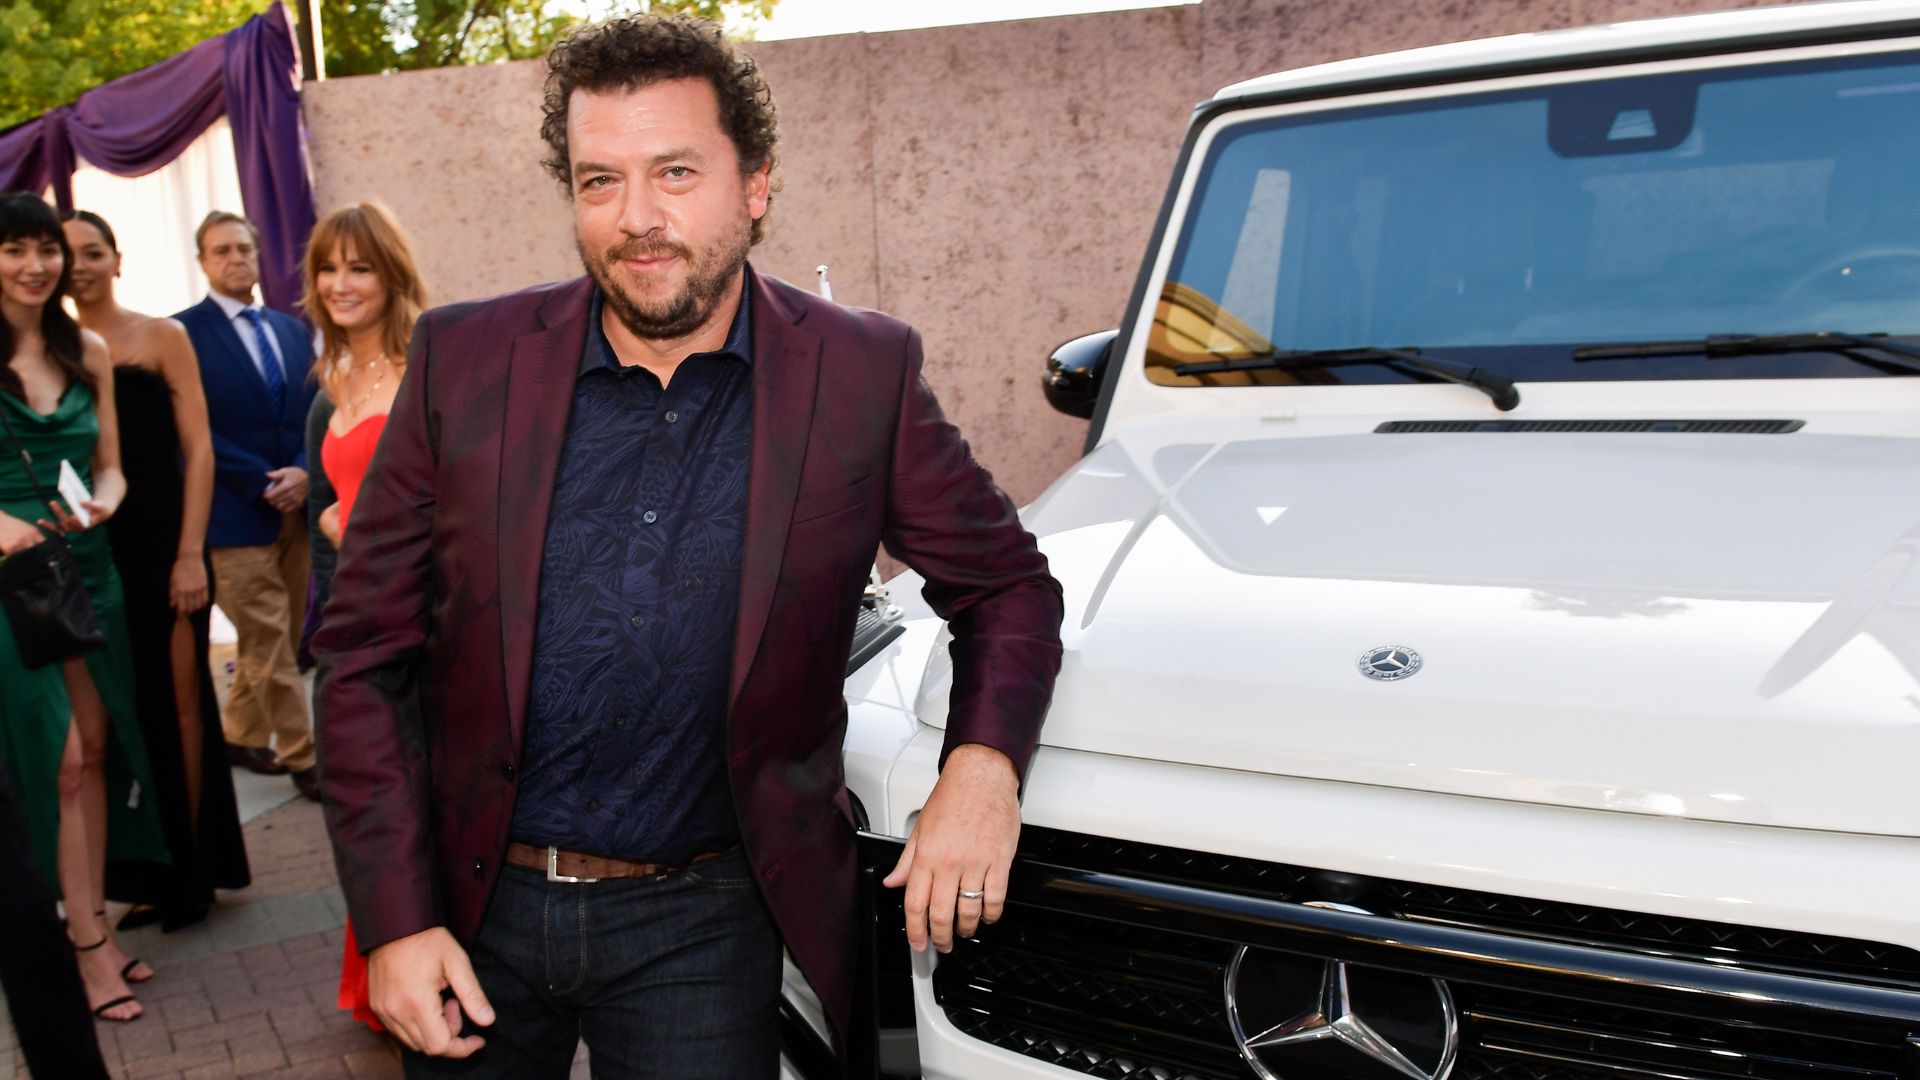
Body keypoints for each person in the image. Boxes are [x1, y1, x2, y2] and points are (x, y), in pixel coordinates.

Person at [314, 16, 1063, 1078]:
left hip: (706, 919)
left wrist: (982, 770)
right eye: (599, 181)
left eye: (675, 172)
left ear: (755, 183)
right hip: (472, 907)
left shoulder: (860, 376)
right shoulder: (463, 363)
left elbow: (1007, 590)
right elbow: (359, 656)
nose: (637, 220)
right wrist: (392, 921)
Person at [0, 190, 169, 1023]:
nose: (36, 266)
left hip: (85, 564)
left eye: (46, 250)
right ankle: (82, 949)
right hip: (8, 584)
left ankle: (91, 916)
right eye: (15, 250)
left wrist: (103, 501)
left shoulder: (90, 349)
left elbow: (110, 465)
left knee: (98, 750)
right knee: (59, 760)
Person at [64, 209, 252, 932]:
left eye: (91, 251)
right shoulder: (51, 352)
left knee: (179, 709)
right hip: (91, 552)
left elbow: (199, 450)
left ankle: (193, 873)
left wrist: (187, 553)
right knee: (120, 714)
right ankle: (145, 872)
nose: (78, 265)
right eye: (66, 253)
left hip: (167, 544)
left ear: (117, 258)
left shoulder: (160, 335)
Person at [301, 201, 427, 1033]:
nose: (340, 284)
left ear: (390, 275)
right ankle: (383, 973)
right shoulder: (325, 386)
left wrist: (373, 521)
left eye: (359, 267)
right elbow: (320, 514)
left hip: (426, 625)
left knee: (426, 798)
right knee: (372, 803)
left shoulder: (427, 370)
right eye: (326, 268)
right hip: (356, 631)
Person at [175, 211, 321, 800]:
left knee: (278, 640)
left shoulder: (290, 330)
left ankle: (238, 732)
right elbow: (193, 429)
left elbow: (313, 407)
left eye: (244, 248)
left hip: (296, 508)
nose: (235, 259)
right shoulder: (183, 333)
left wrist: (304, 472)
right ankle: (304, 756)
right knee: (264, 639)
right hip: (235, 514)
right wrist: (261, 479)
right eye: (221, 251)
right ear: (203, 262)